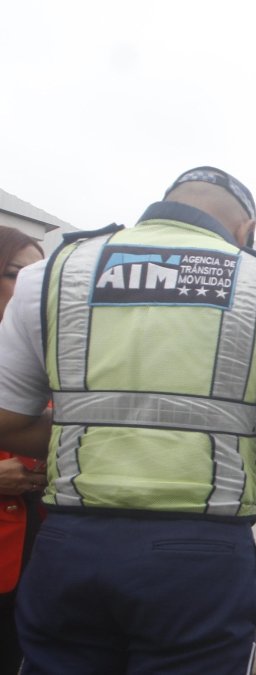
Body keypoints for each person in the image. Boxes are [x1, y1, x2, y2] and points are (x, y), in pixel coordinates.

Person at [0, 167, 256, 674]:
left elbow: (7, 420)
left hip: (73, 543)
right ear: (247, 226)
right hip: (198, 557)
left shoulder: (51, 272)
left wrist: (97, 430)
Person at [0, 227, 45, 673]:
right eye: (20, 274)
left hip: (33, 565)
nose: (34, 287)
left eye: (42, 276)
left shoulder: (49, 359)